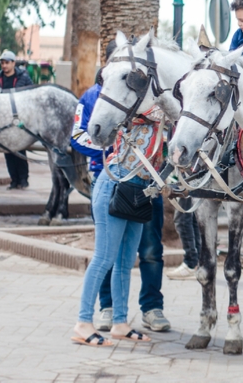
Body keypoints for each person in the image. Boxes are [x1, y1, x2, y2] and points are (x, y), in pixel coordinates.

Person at [71, 66, 171, 334]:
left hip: (140, 190)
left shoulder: (161, 111)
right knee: (104, 258)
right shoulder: (136, 107)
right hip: (115, 184)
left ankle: (120, 323)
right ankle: (83, 322)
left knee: (126, 263)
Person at [0, 50, 34, 189]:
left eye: (7, 62)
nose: (4, 66)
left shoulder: (24, 77)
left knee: (20, 149)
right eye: (2, 63)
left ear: (13, 63)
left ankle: (23, 179)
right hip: (4, 120)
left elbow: (31, 95)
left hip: (20, 119)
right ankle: (14, 180)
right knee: (7, 151)